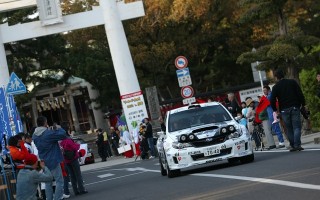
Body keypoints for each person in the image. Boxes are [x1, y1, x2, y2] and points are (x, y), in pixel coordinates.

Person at [270, 68, 306, 152]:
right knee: (297, 127)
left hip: (284, 110)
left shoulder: (275, 87)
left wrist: (275, 110)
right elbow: (299, 93)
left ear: (276, 77)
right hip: (294, 107)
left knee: (289, 128)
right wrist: (303, 104)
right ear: (284, 74)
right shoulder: (292, 82)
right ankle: (297, 145)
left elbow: (272, 100)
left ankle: (293, 145)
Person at [32, 116, 67, 200]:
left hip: (43, 161)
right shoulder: (47, 133)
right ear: (45, 123)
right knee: (59, 181)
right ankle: (58, 198)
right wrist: (58, 128)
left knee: (48, 182)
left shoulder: (34, 135)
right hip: (53, 159)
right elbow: (63, 135)